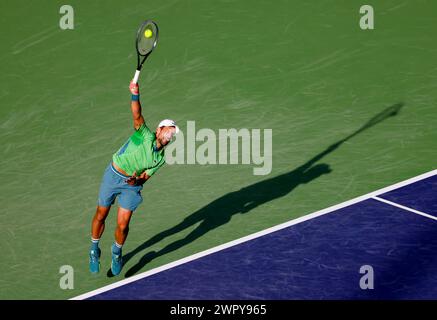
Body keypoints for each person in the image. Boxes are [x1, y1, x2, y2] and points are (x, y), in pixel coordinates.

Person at [89, 80, 179, 276]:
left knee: (123, 225)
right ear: (159, 130)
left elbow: (144, 178)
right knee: (100, 215)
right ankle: (94, 249)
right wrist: (135, 93)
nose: (170, 135)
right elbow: (137, 114)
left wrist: (135, 182)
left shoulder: (160, 159)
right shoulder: (144, 135)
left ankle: (116, 252)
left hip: (130, 186)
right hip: (113, 176)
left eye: (173, 133)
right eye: (168, 129)